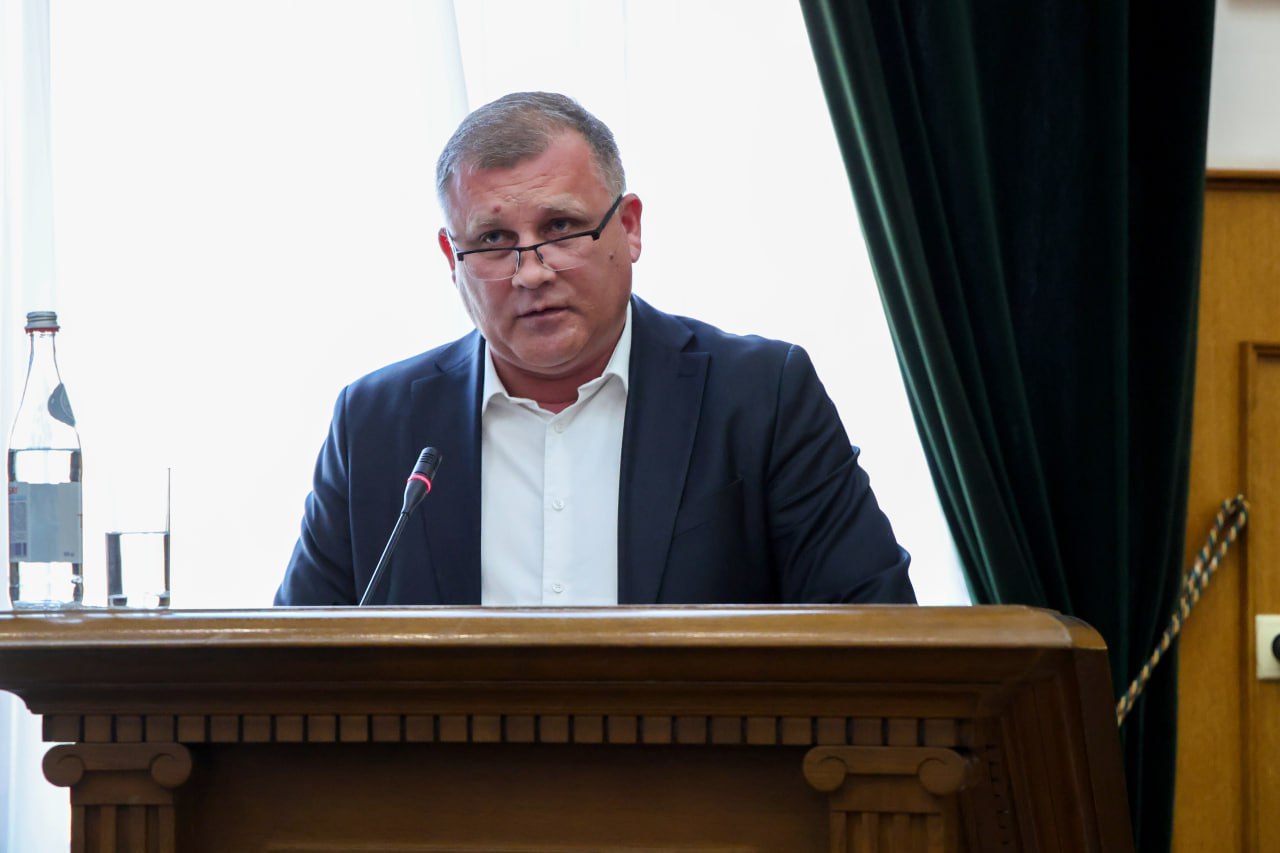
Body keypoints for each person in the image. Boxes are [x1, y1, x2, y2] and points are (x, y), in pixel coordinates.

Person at [275, 92, 914, 607]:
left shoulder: (760, 397)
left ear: (628, 227)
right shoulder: (375, 424)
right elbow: (291, 670)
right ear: (452, 257)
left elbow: (873, 624)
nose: (531, 272)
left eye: (560, 228)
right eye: (493, 240)